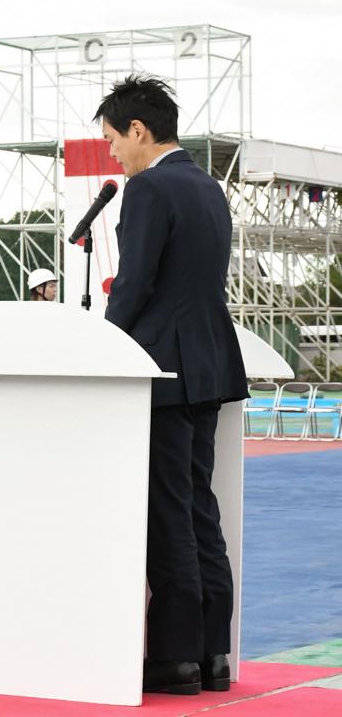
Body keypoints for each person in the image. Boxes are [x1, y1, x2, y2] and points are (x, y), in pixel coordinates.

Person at [96, 74, 247, 695]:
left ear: (138, 130)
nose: (112, 153)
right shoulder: (208, 187)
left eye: (112, 139)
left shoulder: (149, 188)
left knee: (168, 512)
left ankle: (175, 657)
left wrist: (103, 344)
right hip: (209, 364)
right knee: (198, 507)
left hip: (161, 368)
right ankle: (213, 654)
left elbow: (134, 283)